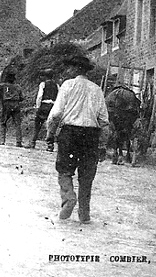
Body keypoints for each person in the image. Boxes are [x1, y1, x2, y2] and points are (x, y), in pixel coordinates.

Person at [45, 55, 109, 224]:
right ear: (86, 71)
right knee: (87, 175)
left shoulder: (68, 85)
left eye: (70, 68)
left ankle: (69, 199)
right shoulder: (97, 89)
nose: (68, 71)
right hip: (91, 136)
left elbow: (56, 113)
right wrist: (102, 144)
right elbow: (103, 120)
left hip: (70, 133)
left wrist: (50, 134)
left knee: (64, 170)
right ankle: (84, 214)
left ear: (75, 69)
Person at [30, 69, 58, 149]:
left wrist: (37, 107)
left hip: (44, 105)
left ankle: (33, 142)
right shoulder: (57, 85)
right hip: (53, 106)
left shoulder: (43, 84)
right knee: (50, 126)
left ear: (45, 76)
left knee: (37, 124)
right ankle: (50, 145)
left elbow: (39, 96)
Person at [0, 72, 24, 147]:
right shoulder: (18, 87)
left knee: (3, 122)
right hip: (16, 105)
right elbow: (22, 97)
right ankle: (18, 141)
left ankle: (1, 140)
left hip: (7, 105)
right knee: (17, 124)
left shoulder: (3, 86)